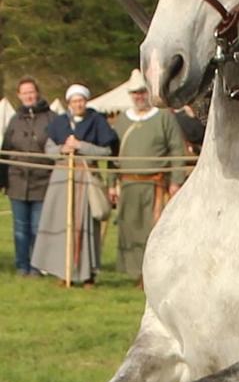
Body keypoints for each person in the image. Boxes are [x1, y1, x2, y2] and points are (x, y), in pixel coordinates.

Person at [31, 84, 118, 286]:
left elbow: (106, 151)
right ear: (68, 103)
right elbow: (49, 149)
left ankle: (88, 274)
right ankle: (64, 272)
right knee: (62, 224)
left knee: (85, 226)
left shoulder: (97, 121)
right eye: (74, 101)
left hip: (86, 177)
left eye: (81, 100)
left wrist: (81, 146)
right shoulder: (60, 122)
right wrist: (64, 148)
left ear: (86, 102)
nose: (78, 104)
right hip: (62, 177)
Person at [109, 69, 186, 283]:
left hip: (156, 185)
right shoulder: (122, 120)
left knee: (153, 232)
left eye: (142, 92)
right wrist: (111, 184)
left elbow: (176, 150)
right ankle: (134, 273)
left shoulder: (163, 118)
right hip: (127, 185)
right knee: (129, 228)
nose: (139, 96)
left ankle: (151, 275)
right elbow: (113, 154)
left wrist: (176, 181)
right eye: (135, 93)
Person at [0, 76, 56, 275]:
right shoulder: (15, 120)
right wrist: (3, 181)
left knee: (37, 228)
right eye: (24, 93)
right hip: (17, 183)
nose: (28, 96)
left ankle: (37, 266)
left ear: (37, 93)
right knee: (19, 229)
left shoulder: (51, 117)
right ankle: (21, 265)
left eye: (31, 92)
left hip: (42, 182)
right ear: (19, 96)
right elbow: (5, 149)